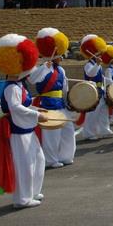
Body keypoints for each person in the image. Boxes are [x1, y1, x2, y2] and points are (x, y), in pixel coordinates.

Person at [0, 34, 47, 209]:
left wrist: (35, 110)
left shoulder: (18, 85)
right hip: (18, 131)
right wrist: (37, 115)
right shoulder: (11, 88)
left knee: (38, 159)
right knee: (24, 165)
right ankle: (22, 199)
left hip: (26, 129)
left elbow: (22, 106)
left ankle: (32, 192)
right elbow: (15, 108)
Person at [29, 27, 76, 168]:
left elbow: (64, 88)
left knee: (68, 131)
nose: (63, 57)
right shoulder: (41, 68)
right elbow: (32, 80)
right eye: (61, 54)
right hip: (47, 103)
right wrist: (44, 67)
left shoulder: (61, 69)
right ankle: (51, 160)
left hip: (61, 104)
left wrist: (68, 102)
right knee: (51, 135)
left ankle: (66, 156)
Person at [79, 34, 113, 140]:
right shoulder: (89, 65)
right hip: (92, 91)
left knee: (103, 111)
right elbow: (91, 74)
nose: (100, 55)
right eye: (98, 52)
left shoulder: (97, 65)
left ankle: (105, 130)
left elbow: (102, 78)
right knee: (92, 113)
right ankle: (89, 133)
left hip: (100, 90)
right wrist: (97, 65)